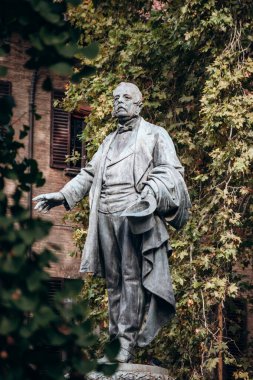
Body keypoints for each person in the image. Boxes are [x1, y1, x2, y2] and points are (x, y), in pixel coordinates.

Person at [33, 82, 191, 363]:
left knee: (132, 278)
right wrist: (62, 194)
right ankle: (114, 340)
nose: (119, 101)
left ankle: (126, 343)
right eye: (115, 97)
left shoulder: (155, 134)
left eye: (126, 97)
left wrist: (152, 191)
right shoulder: (107, 141)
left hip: (134, 214)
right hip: (105, 213)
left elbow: (171, 171)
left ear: (139, 104)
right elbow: (89, 175)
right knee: (112, 281)